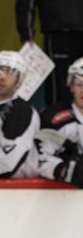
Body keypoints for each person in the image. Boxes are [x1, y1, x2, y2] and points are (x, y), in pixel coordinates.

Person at [16, 0, 83, 106]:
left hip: (58, 28)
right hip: (59, 29)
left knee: (59, 88)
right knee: (59, 89)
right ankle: (56, 117)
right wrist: (26, 31)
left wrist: (26, 31)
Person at [31, 58, 83, 187]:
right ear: (71, 86)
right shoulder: (54, 119)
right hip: (62, 194)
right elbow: (37, 158)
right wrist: (63, 170)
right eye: (79, 84)